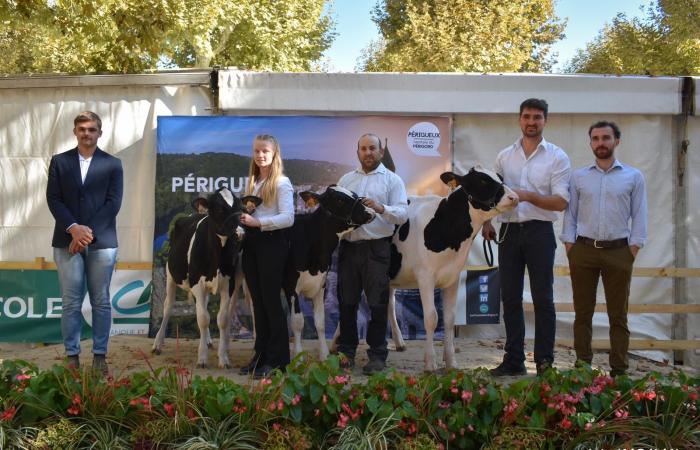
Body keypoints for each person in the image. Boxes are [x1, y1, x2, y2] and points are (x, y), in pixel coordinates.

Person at [483, 98, 571, 376]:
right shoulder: (504, 156)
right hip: (508, 231)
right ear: (519, 120)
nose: (531, 122)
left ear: (545, 120)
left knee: (543, 299)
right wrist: (488, 220)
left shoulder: (557, 156)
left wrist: (528, 196)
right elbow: (492, 196)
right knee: (509, 298)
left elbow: (561, 203)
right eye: (526, 117)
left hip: (540, 232)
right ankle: (513, 360)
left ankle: (544, 362)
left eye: (537, 117)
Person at [561, 121, 647, 377]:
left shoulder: (633, 176)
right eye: (596, 138)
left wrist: (634, 247)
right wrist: (570, 245)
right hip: (584, 250)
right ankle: (583, 368)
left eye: (606, 138)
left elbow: (639, 215)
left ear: (616, 141)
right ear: (590, 144)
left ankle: (619, 370)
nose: (601, 143)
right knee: (582, 313)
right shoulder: (578, 177)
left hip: (619, 251)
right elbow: (571, 215)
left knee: (618, 315)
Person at [46, 111, 123, 375]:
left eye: (91, 129)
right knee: (70, 302)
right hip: (65, 240)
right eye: (82, 129)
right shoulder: (59, 162)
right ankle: (72, 356)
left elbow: (113, 203)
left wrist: (85, 234)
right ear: (75, 132)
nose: (86, 133)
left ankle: (100, 356)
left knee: (101, 300)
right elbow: (53, 199)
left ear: (100, 133)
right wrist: (73, 229)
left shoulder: (113, 164)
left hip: (102, 243)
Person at [336, 133, 408, 374]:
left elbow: (402, 214)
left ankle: (377, 355)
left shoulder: (393, 180)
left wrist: (380, 207)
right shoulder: (345, 180)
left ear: (380, 152)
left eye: (372, 149)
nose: (368, 153)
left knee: (378, 304)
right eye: (363, 149)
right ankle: (346, 353)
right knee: (347, 303)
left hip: (377, 248)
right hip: (349, 247)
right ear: (357, 152)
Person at [238, 134, 294, 378]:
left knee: (271, 303)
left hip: (272, 245)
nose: (260, 155)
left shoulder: (282, 183)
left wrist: (258, 222)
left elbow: (288, 217)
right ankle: (260, 356)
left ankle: (278, 360)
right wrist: (242, 227)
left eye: (265, 151)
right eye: (257, 151)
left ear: (274, 153)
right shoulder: (252, 183)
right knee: (257, 304)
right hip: (252, 245)